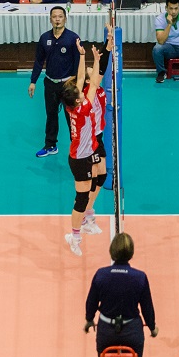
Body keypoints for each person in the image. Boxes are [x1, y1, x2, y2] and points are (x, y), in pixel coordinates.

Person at [85, 232, 157, 357]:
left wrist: (88, 319)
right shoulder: (140, 277)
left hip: (106, 332)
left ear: (112, 251)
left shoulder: (101, 275)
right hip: (132, 333)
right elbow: (147, 306)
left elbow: (91, 302)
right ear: (131, 253)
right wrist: (152, 327)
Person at [61, 42, 100, 256]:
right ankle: (74, 236)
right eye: (80, 91)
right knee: (81, 198)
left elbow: (79, 80)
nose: (81, 88)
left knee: (93, 182)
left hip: (88, 151)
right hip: (79, 157)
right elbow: (92, 83)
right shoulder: (83, 109)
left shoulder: (71, 105)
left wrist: (82, 55)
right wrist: (97, 60)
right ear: (78, 99)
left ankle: (86, 220)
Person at [28, 6, 80, 157]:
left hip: (68, 85)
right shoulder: (45, 38)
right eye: (54, 17)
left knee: (72, 117)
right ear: (50, 19)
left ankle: (76, 147)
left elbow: (78, 63)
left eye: (60, 16)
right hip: (50, 83)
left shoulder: (73, 38)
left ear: (65, 18)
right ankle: (50, 145)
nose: (57, 19)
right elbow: (39, 61)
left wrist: (76, 82)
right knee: (51, 115)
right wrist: (33, 81)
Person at [78, 26, 115, 235]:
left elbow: (100, 67)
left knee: (101, 177)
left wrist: (108, 45)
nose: (95, 72)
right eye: (90, 72)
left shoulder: (98, 88)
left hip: (98, 136)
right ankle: (85, 214)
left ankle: (87, 213)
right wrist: (101, 52)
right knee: (93, 177)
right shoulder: (87, 90)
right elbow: (96, 70)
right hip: (89, 140)